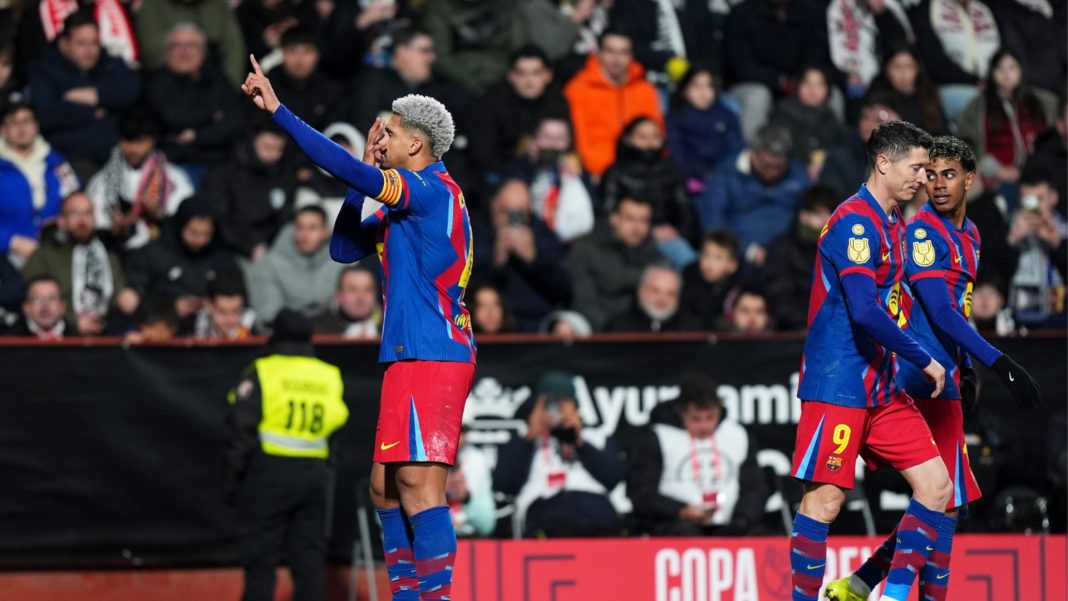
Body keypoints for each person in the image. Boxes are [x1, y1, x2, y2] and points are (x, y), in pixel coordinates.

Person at [243, 58, 476, 600]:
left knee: (418, 485)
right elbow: (344, 247)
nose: (380, 138)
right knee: (384, 489)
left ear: (415, 145)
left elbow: (345, 169)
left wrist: (278, 111)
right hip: (409, 352)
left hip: (434, 349)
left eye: (388, 133)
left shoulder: (428, 190)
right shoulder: (407, 206)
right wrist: (362, 178)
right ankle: (407, 595)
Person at [823, 135, 1044, 601]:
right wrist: (998, 363)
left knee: (945, 504)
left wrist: (965, 366)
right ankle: (885, 590)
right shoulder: (923, 233)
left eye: (949, 175)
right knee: (943, 502)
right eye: (931, 175)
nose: (938, 184)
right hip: (919, 375)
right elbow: (941, 312)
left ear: (970, 179)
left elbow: (958, 311)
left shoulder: (972, 234)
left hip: (946, 372)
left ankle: (862, 583)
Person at [788, 121, 949, 601]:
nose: (923, 178)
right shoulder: (854, 222)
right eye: (916, 168)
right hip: (839, 381)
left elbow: (895, 302)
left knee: (938, 488)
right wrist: (923, 357)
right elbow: (863, 308)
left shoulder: (895, 221)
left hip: (881, 385)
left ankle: (877, 591)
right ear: (884, 163)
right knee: (825, 502)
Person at [224, 309, 348, 601]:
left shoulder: (264, 371)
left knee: (260, 561)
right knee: (309, 561)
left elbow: (240, 427)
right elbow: (336, 429)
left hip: (269, 472)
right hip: (314, 475)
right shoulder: (328, 374)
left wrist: (233, 479)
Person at [629, 374, 767, 536]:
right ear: (681, 412)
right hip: (674, 524)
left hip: (732, 524)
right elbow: (641, 492)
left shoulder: (737, 435)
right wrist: (680, 510)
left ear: (719, 409)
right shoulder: (658, 437)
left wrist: (742, 519)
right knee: (684, 533)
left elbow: (754, 487)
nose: (704, 426)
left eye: (710, 417)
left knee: (760, 535)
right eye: (695, 419)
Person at [493, 370, 625, 537]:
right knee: (559, 517)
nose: (555, 411)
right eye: (548, 404)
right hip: (546, 511)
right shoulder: (523, 440)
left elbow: (614, 477)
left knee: (601, 516)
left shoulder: (595, 437)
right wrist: (530, 436)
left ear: (575, 407)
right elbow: (504, 484)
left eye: (562, 404)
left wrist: (578, 440)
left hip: (595, 510)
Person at [29, 9, 140, 176]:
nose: (90, 50)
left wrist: (97, 95)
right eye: (81, 44)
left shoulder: (109, 63)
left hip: (121, 156)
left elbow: (132, 91)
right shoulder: (44, 72)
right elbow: (46, 115)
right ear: (64, 44)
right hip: (71, 159)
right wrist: (95, 110)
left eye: (94, 43)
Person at [695, 124, 811, 272]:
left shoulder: (798, 175)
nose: (773, 172)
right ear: (752, 153)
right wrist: (747, 250)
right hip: (737, 256)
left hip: (787, 255)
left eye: (779, 167)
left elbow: (809, 215)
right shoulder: (727, 173)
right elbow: (713, 219)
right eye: (766, 166)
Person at [21, 191, 139, 335]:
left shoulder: (109, 254)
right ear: (61, 221)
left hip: (107, 334)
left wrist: (128, 296)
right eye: (75, 213)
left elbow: (121, 294)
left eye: (88, 213)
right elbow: (30, 302)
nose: (82, 220)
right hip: (63, 335)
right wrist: (72, 323)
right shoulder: (45, 256)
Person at [723, 0, 835, 140]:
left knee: (831, 93)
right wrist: (780, 81)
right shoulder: (742, 13)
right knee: (759, 95)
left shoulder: (809, 11)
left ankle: (830, 152)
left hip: (796, 82)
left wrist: (802, 82)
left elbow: (816, 58)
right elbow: (741, 67)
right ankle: (756, 151)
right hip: (750, 84)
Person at [86, 107, 194, 252]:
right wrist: (117, 229)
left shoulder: (175, 178)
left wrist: (156, 215)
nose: (133, 149)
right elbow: (94, 229)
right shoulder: (101, 181)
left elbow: (188, 226)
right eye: (127, 141)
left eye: (140, 142)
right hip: (117, 253)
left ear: (153, 140)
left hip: (166, 252)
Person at [144, 23, 246, 177]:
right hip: (170, 164)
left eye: (191, 46)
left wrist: (198, 135)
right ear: (167, 52)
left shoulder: (218, 80)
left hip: (217, 162)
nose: (184, 52)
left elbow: (236, 122)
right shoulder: (155, 82)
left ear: (203, 52)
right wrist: (213, 117)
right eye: (177, 46)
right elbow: (172, 118)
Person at [124, 197, 242, 329]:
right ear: (181, 226)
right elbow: (134, 296)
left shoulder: (222, 257)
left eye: (206, 234)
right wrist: (172, 307)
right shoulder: (154, 253)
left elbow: (236, 295)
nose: (200, 240)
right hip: (164, 328)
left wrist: (213, 305)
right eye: (193, 233)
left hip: (212, 330)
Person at [470, 179, 571, 331]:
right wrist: (497, 262)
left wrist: (534, 259)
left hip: (537, 322)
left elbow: (563, 289)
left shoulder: (542, 235)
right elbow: (465, 288)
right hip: (492, 326)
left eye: (519, 213)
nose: (512, 220)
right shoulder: (475, 233)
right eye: (506, 212)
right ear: (494, 206)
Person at [564, 29, 662, 178]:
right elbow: (578, 140)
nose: (616, 59)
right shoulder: (578, 90)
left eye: (623, 52)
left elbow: (656, 136)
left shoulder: (646, 90)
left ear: (631, 56)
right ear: (599, 53)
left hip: (642, 172)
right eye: (610, 51)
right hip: (594, 172)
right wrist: (602, 172)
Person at [601, 116, 695, 270]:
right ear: (628, 139)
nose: (649, 143)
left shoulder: (672, 171)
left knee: (690, 264)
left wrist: (678, 233)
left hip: (669, 239)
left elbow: (686, 211)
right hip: (628, 240)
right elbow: (607, 215)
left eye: (654, 137)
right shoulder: (616, 173)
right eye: (642, 137)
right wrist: (649, 232)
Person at [956, 49, 1057, 190]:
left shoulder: (1043, 102)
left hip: (1041, 172)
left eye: (1012, 68)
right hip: (996, 176)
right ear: (992, 73)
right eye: (1000, 68)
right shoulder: (979, 106)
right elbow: (965, 143)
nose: (1006, 74)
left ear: (1021, 71)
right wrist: (994, 168)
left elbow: (1056, 135)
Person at [469, 45, 571, 178]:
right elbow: (483, 154)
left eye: (536, 73)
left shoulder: (558, 102)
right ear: (510, 76)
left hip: (550, 171)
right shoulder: (492, 102)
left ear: (548, 75)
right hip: (501, 174)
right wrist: (519, 156)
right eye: (521, 73)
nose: (529, 81)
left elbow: (569, 145)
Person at [565, 195, 665, 331]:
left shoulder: (654, 254)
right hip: (600, 329)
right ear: (614, 219)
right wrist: (613, 331)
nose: (637, 228)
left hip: (644, 331)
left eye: (643, 221)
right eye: (630, 219)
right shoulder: (587, 250)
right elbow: (584, 303)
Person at [204, 122, 298, 263]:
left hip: (270, 249)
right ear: (252, 142)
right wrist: (249, 247)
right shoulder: (224, 172)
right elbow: (220, 220)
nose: (273, 154)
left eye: (279, 149)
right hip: (228, 249)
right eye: (267, 147)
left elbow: (284, 219)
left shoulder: (284, 174)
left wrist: (268, 247)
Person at [0, 101, 79, 265]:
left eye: (27, 121)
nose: (21, 128)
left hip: (57, 247)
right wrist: (12, 241)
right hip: (8, 254)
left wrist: (63, 221)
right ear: (3, 129)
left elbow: (76, 198)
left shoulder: (56, 162)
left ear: (36, 126)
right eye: (13, 122)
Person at [499, 116, 595, 243]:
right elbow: (508, 192)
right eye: (546, 137)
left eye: (559, 138)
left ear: (568, 143)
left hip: (566, 241)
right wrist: (530, 163)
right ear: (535, 140)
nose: (552, 144)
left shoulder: (579, 172)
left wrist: (576, 178)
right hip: (528, 234)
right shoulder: (520, 166)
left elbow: (593, 211)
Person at [249, 205, 342, 322]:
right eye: (299, 227)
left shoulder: (341, 263)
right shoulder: (269, 265)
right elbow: (268, 315)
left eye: (312, 228)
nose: (304, 234)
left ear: (326, 232)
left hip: (333, 329)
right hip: (286, 330)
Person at [764, 185, 838, 330]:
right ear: (803, 215)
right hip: (795, 332)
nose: (827, 219)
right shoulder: (781, 250)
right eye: (818, 213)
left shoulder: (842, 249)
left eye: (832, 213)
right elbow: (781, 302)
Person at [911, 0, 1000, 122]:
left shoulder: (984, 9)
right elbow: (934, 63)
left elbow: (1002, 55)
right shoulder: (929, 7)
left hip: (989, 85)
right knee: (985, 105)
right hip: (948, 86)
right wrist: (976, 81)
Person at [665, 66, 745, 195]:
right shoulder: (676, 117)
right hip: (690, 179)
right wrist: (694, 175)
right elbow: (676, 152)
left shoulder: (726, 115)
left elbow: (736, 147)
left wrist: (723, 174)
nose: (703, 93)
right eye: (696, 86)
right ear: (684, 90)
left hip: (724, 177)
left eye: (709, 86)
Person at [419, 0, 527, 95]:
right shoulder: (439, 6)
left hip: (505, 81)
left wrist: (509, 79)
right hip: (456, 84)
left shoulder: (507, 5)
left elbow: (520, 51)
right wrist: (473, 83)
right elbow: (440, 56)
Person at [1007, 164, 1066, 328]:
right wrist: (1012, 240)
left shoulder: (1064, 229)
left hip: (1061, 318)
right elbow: (992, 280)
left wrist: (1058, 244)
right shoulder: (1006, 227)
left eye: (1039, 199)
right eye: (1027, 200)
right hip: (1017, 317)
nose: (1033, 208)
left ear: (1053, 197)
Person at [137, 0, 247, 87]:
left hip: (213, 83)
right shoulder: (152, 5)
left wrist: (228, 88)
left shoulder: (217, 5)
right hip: (165, 85)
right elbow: (150, 53)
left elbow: (234, 50)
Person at [770, 66, 846, 179]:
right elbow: (779, 151)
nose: (812, 90)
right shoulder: (783, 114)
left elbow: (839, 150)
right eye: (807, 83)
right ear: (798, 86)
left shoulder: (831, 119)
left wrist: (822, 165)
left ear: (827, 90)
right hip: (788, 175)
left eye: (819, 85)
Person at [824, 0, 911, 99]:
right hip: (846, 85)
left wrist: (882, 12)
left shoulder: (888, 4)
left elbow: (901, 46)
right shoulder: (835, 7)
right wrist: (845, 76)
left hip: (885, 84)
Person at [819, 95, 900, 198]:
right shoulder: (840, 156)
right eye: (865, 117)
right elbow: (831, 198)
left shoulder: (902, 158)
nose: (869, 124)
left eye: (879, 119)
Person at [266, 27, 342, 131]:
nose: (300, 60)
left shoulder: (332, 90)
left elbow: (337, 130)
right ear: (283, 53)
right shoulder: (267, 87)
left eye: (307, 51)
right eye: (292, 50)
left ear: (317, 55)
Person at [867, 44, 946, 136]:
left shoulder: (928, 93)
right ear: (886, 69)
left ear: (918, 69)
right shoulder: (877, 97)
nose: (904, 74)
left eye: (909, 66)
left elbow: (944, 131)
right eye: (897, 67)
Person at [605, 263, 700, 333]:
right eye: (655, 291)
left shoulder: (692, 331)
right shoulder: (618, 327)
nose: (662, 299)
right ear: (641, 291)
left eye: (670, 294)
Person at [680, 230, 741, 331]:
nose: (709, 263)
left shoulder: (738, 290)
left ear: (732, 265)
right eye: (705, 255)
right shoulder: (689, 278)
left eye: (718, 258)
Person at [311, 265, 381, 338]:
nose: (361, 297)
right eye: (353, 290)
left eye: (367, 290)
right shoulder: (318, 329)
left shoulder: (387, 327)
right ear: (338, 295)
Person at [3, 275, 76, 338]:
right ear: (26, 307)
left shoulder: (79, 340)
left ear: (63, 307)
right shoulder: (8, 341)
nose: (45, 305)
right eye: (37, 299)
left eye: (52, 298)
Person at [194, 273, 253, 339]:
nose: (229, 320)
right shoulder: (190, 330)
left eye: (235, 312)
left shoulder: (254, 331)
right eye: (223, 312)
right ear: (209, 306)